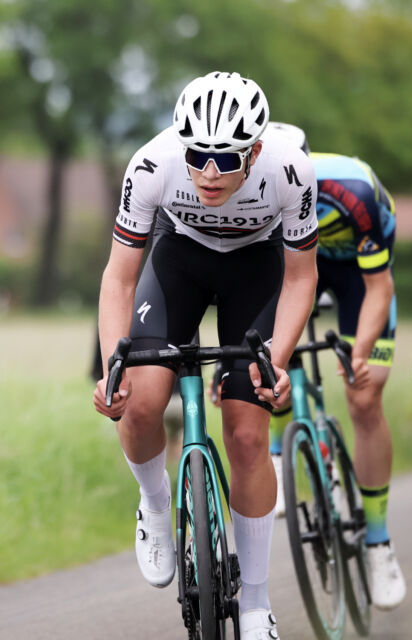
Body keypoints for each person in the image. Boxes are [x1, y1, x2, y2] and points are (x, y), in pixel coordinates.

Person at [92, 71, 319, 639]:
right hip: (180, 262)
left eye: (226, 158)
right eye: (198, 155)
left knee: (247, 434)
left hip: (258, 269)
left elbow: (300, 278)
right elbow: (120, 278)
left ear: (257, 149)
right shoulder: (152, 163)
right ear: (180, 141)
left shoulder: (290, 168)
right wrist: (111, 366)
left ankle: (256, 604)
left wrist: (279, 360)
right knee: (139, 405)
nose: (210, 172)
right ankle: (154, 504)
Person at [260, 122, 406, 610]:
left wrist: (359, 351)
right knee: (264, 363)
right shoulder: (250, 192)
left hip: (356, 278)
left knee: (364, 396)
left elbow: (380, 287)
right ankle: (281, 448)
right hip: (293, 269)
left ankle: (378, 541)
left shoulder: (352, 190)